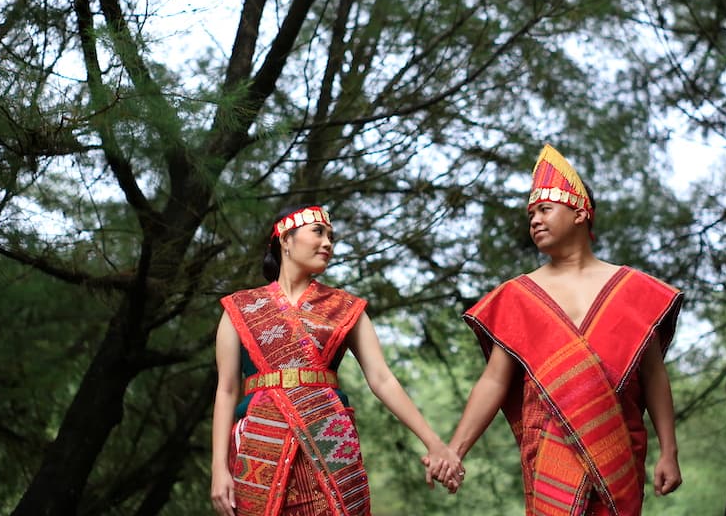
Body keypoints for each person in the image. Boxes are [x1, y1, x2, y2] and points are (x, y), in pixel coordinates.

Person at [437, 144, 683, 514]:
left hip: (617, 447)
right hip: (549, 450)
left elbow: (653, 375)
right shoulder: (519, 295)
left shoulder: (632, 289)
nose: (535, 220)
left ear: (580, 212)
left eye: (545, 209)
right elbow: (494, 381)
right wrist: (455, 450)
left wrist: (669, 451)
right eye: (531, 214)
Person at [211, 204, 463, 516]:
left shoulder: (345, 307)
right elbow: (226, 390)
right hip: (257, 446)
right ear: (286, 239)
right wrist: (218, 469)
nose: (328, 243)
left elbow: (382, 379)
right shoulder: (240, 307)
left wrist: (434, 443)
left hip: (329, 443)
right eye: (318, 232)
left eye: (331, 236)